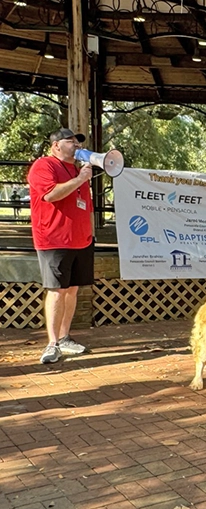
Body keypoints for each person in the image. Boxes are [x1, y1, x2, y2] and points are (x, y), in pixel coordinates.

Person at [27, 128, 94, 364]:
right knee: (56, 290)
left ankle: (65, 337)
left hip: (80, 240)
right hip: (54, 239)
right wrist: (79, 179)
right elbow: (51, 195)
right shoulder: (44, 166)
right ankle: (52, 343)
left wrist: (89, 233)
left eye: (77, 142)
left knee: (72, 289)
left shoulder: (76, 170)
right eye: (71, 141)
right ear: (56, 145)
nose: (76, 145)